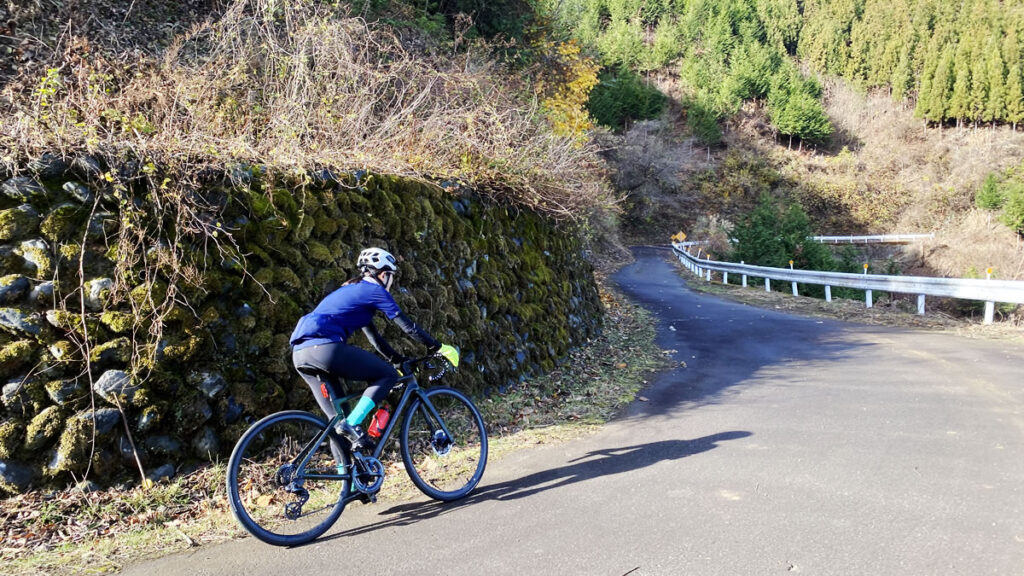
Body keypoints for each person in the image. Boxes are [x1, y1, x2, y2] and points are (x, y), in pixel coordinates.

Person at [289, 247, 459, 451]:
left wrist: (397, 359)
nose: (392, 281)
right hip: (324, 348)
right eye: (392, 276)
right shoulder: (374, 291)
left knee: (337, 422)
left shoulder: (353, 291)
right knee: (386, 375)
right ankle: (352, 424)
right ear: (384, 274)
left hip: (301, 354)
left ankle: (350, 480)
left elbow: (375, 339)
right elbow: (407, 326)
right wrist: (437, 347)